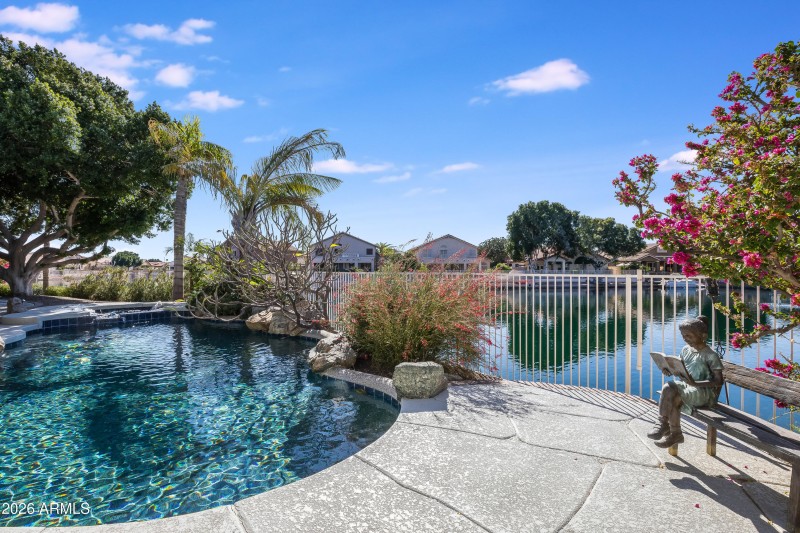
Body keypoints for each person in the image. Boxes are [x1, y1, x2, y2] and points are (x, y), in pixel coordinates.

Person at [647, 315, 724, 448]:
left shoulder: (710, 355)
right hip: (689, 387)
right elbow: (680, 367)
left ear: (703, 336)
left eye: (689, 336)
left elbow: (719, 381)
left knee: (673, 397)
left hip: (704, 393)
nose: (685, 339)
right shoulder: (685, 350)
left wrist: (696, 384)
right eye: (683, 336)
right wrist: (668, 369)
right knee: (667, 388)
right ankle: (664, 424)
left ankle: (674, 432)